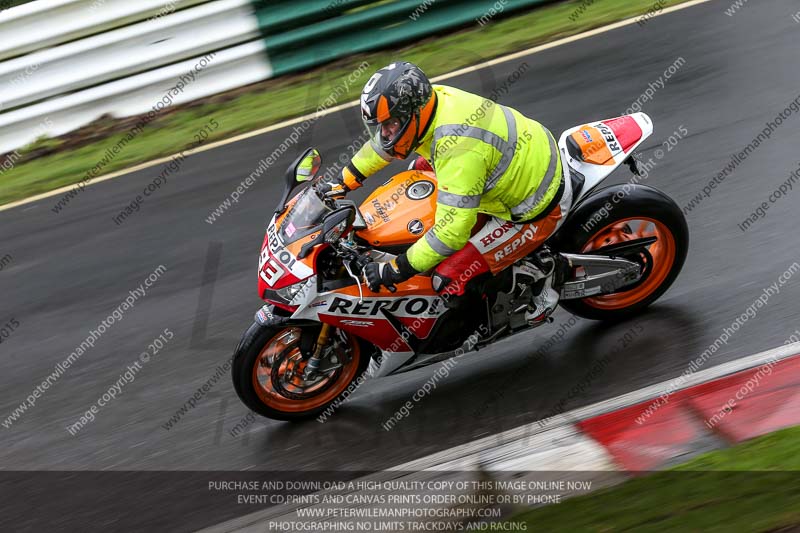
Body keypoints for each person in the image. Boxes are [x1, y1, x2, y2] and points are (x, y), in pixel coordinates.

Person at [321, 62, 573, 324]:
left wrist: (395, 270)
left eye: (390, 124)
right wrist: (341, 183)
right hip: (515, 161)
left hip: (532, 206)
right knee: (415, 172)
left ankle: (544, 269)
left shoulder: (457, 148)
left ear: (412, 113)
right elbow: (383, 146)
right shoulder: (428, 101)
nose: (385, 133)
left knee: (449, 278)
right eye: (380, 126)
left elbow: (451, 233)